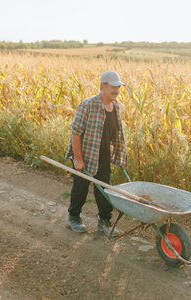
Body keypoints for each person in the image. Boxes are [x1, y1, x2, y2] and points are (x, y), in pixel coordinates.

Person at [65, 70, 128, 236]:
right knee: (80, 188)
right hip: (85, 154)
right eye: (113, 87)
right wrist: (78, 159)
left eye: (118, 87)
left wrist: (119, 153)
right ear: (102, 86)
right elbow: (75, 132)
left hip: (104, 156)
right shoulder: (88, 105)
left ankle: (104, 222)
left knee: (104, 189)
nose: (116, 90)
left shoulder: (115, 106)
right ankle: (74, 217)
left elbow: (114, 132)